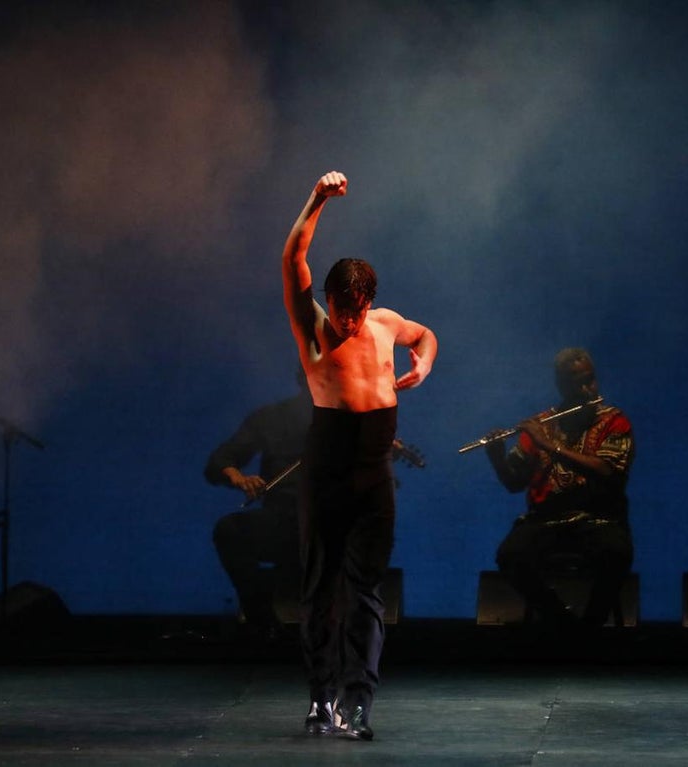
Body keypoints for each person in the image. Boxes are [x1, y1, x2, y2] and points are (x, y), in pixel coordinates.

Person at [281, 171, 438, 741]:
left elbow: (426, 335)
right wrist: (318, 198)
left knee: (366, 593)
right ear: (328, 301)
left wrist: (423, 362)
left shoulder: (383, 324)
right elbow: (294, 254)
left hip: (374, 477)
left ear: (368, 302)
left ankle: (359, 703)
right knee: (321, 591)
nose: (346, 320)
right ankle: (321, 700)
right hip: (326, 473)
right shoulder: (316, 329)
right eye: (338, 307)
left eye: (354, 309)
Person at [485, 348, 634, 629]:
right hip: (546, 520)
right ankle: (561, 623)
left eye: (591, 380)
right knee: (510, 555)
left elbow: (607, 472)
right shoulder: (542, 425)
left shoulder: (615, 421)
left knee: (616, 552)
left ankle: (591, 625)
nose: (589, 390)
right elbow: (514, 484)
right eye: (578, 383)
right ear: (562, 386)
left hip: (597, 518)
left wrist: (549, 446)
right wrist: (496, 456)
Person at [203, 385, 312, 639]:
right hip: (283, 521)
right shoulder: (273, 417)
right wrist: (239, 478)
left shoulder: (349, 418)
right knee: (230, 530)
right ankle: (262, 621)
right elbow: (221, 460)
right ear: (302, 376)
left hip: (331, 523)